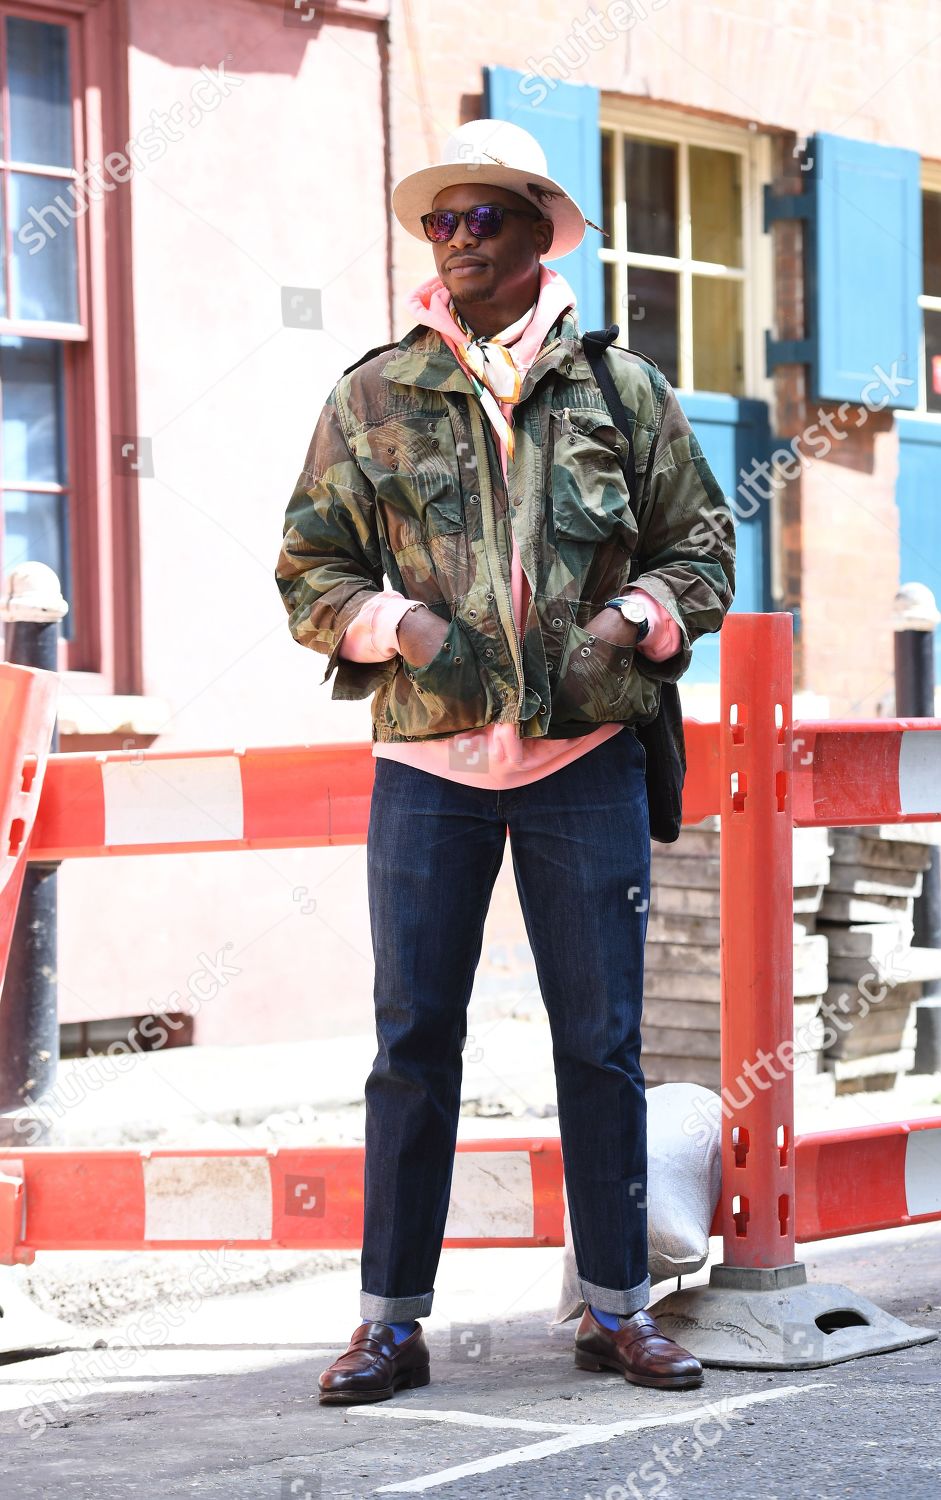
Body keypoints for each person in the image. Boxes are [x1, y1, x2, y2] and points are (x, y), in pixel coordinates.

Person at [275, 118, 735, 1405]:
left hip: (582, 760)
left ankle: (616, 1310)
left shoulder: (621, 392)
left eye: (483, 218)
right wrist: (398, 625)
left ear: (542, 231)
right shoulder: (373, 395)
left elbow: (702, 547)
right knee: (412, 1041)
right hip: (429, 768)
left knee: (600, 1042)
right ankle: (388, 1324)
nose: (456, 240)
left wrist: (627, 620)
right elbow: (308, 568)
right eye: (441, 221)